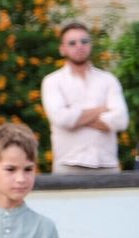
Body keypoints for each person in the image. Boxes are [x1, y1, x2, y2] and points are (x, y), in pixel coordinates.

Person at [41, 21, 128, 174]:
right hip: (68, 165)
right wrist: (101, 110)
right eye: (72, 43)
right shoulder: (52, 81)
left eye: (84, 41)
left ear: (90, 45)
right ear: (62, 49)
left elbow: (121, 120)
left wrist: (76, 118)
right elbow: (62, 119)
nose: (79, 46)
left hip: (107, 165)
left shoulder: (108, 80)